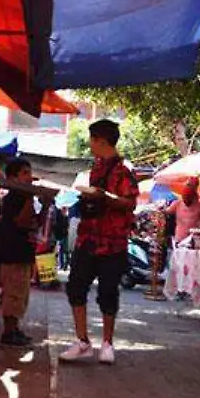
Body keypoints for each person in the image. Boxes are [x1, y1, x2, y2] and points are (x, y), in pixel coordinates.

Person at [60, 120, 138, 365]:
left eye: (92, 140)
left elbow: (129, 203)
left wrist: (105, 197)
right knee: (75, 287)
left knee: (107, 292)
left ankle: (107, 343)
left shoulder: (123, 170)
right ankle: (82, 341)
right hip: (88, 237)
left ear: (101, 141)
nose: (90, 145)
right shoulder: (95, 168)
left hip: (113, 241)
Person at [0, 159, 43, 347]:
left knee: (21, 293)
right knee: (13, 294)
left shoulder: (24, 198)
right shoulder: (12, 199)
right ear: (13, 177)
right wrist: (30, 198)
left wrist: (46, 205)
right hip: (13, 252)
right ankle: (8, 332)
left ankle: (14, 329)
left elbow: (34, 223)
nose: (29, 177)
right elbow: (22, 222)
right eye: (24, 173)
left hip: (23, 251)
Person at [166, 177, 200, 245]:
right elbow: (164, 213)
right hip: (179, 240)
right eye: (188, 184)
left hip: (193, 241)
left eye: (191, 185)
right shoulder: (177, 204)